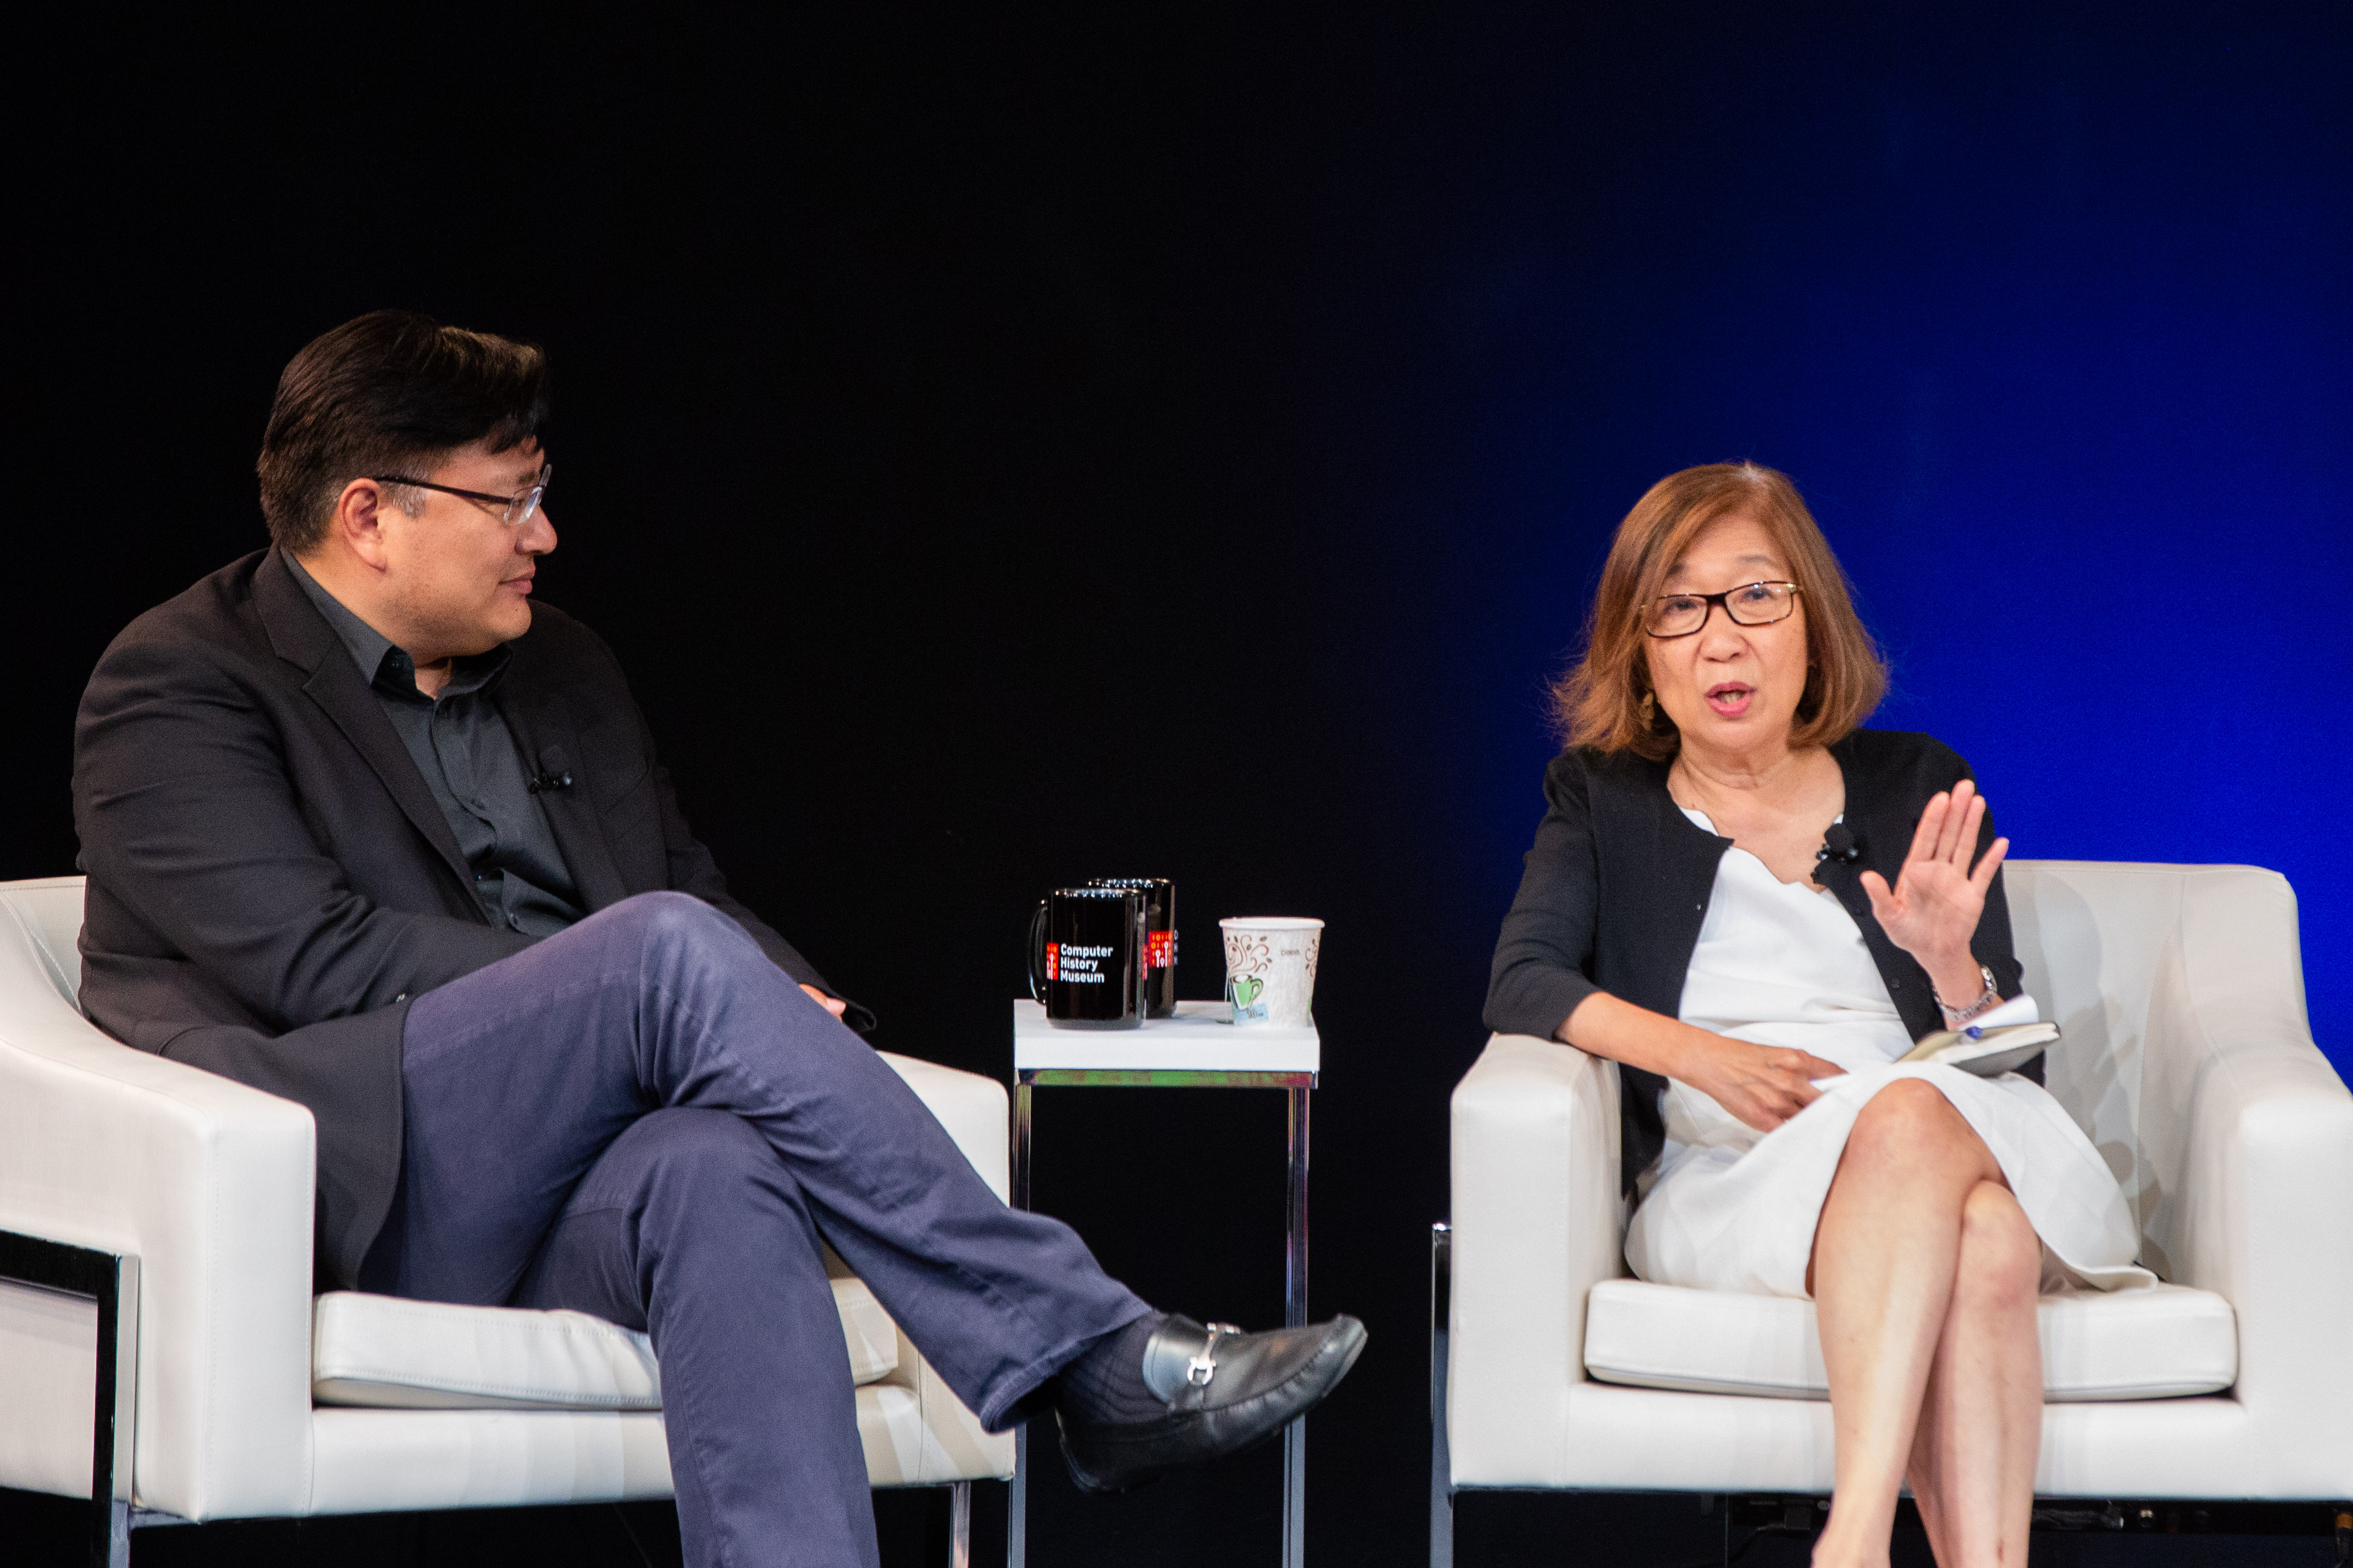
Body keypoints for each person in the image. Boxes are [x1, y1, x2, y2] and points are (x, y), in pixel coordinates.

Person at [72, 311, 1365, 1567]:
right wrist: (641, 993)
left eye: (542, 494)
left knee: (720, 1175)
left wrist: (788, 1008)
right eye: (511, 502)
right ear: (369, 516)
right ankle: (1093, 1355)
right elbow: (316, 961)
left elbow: (681, 882)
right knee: (661, 956)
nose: (544, 535)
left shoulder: (563, 666)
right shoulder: (179, 683)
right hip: (376, 1181)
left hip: (601, 1164)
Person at [1484, 462, 2148, 1568]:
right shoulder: (1602, 797)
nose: (1721, 639)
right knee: (1984, 1240)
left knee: (1910, 1113)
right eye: (1678, 607)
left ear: (1811, 619)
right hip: (1735, 1174)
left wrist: (1949, 967)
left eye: (1755, 595)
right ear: (1641, 648)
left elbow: (2006, 1068)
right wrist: (1704, 1058)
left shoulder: (1914, 779)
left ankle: (1854, 1536)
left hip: (1942, 1120)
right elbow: (1523, 978)